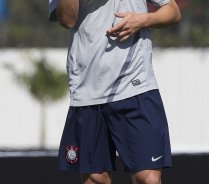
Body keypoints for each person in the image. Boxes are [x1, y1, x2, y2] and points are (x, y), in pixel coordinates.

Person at [49, 0, 181, 183]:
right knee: (95, 179)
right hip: (88, 91)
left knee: (148, 178)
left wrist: (144, 20)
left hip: (136, 86)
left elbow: (173, 11)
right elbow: (67, 19)